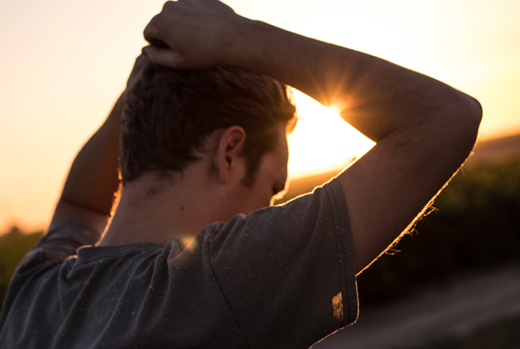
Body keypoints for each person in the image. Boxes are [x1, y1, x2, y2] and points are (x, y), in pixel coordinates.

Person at [0, 0, 482, 348]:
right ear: (229, 152)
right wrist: (238, 37)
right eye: (272, 189)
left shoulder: (36, 290)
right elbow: (446, 119)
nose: (269, 210)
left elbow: (79, 205)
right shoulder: (212, 287)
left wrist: (142, 83)